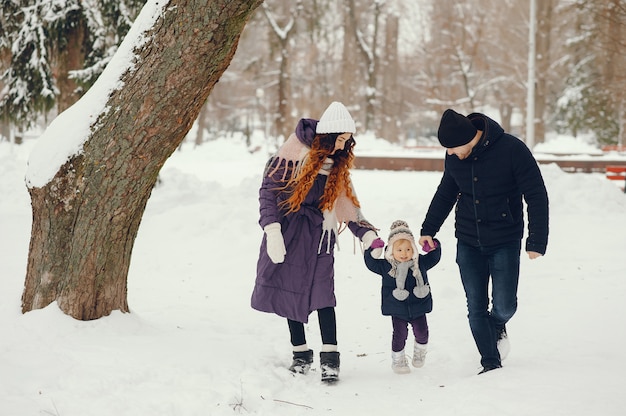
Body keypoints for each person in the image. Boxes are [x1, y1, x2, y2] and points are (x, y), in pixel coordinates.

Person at [251, 101, 380, 383]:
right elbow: (268, 193)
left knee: (324, 295)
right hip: (289, 235)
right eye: (341, 139)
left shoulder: (337, 167)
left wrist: (368, 235)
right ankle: (300, 353)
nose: (344, 146)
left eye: (348, 141)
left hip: (322, 236)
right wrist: (272, 231)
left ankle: (330, 359)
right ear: (329, 136)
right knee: (290, 290)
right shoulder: (291, 156)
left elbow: (348, 207)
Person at [418, 108, 549, 375]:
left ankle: (498, 323)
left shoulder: (512, 149)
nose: (451, 154)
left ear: (470, 137)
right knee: (475, 306)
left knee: (504, 305)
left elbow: (536, 194)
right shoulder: (454, 155)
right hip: (468, 239)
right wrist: (428, 229)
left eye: (453, 148)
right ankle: (490, 363)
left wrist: (536, 239)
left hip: (504, 239)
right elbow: (446, 192)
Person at [364, 220, 441, 374]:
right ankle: (398, 360)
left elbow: (434, 257)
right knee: (400, 335)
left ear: (413, 249)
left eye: (408, 249)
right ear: (392, 250)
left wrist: (434, 245)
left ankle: (420, 352)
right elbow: (371, 263)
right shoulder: (386, 266)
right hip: (397, 309)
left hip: (418, 306)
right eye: (399, 250)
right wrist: (371, 249)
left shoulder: (419, 264)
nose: (404, 253)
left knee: (422, 332)